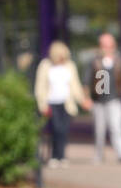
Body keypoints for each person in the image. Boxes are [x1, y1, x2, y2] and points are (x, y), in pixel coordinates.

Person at [34, 40, 91, 168]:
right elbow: (40, 87)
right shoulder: (45, 65)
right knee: (56, 129)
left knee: (63, 131)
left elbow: (75, 85)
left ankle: (62, 156)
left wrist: (82, 100)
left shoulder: (69, 66)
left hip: (66, 103)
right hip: (51, 103)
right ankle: (54, 156)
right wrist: (42, 104)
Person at [88, 33, 121, 163]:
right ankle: (99, 155)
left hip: (115, 99)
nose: (106, 48)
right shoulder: (95, 61)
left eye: (109, 45)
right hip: (99, 100)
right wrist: (86, 98)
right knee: (99, 131)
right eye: (104, 45)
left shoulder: (119, 60)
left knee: (117, 127)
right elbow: (87, 81)